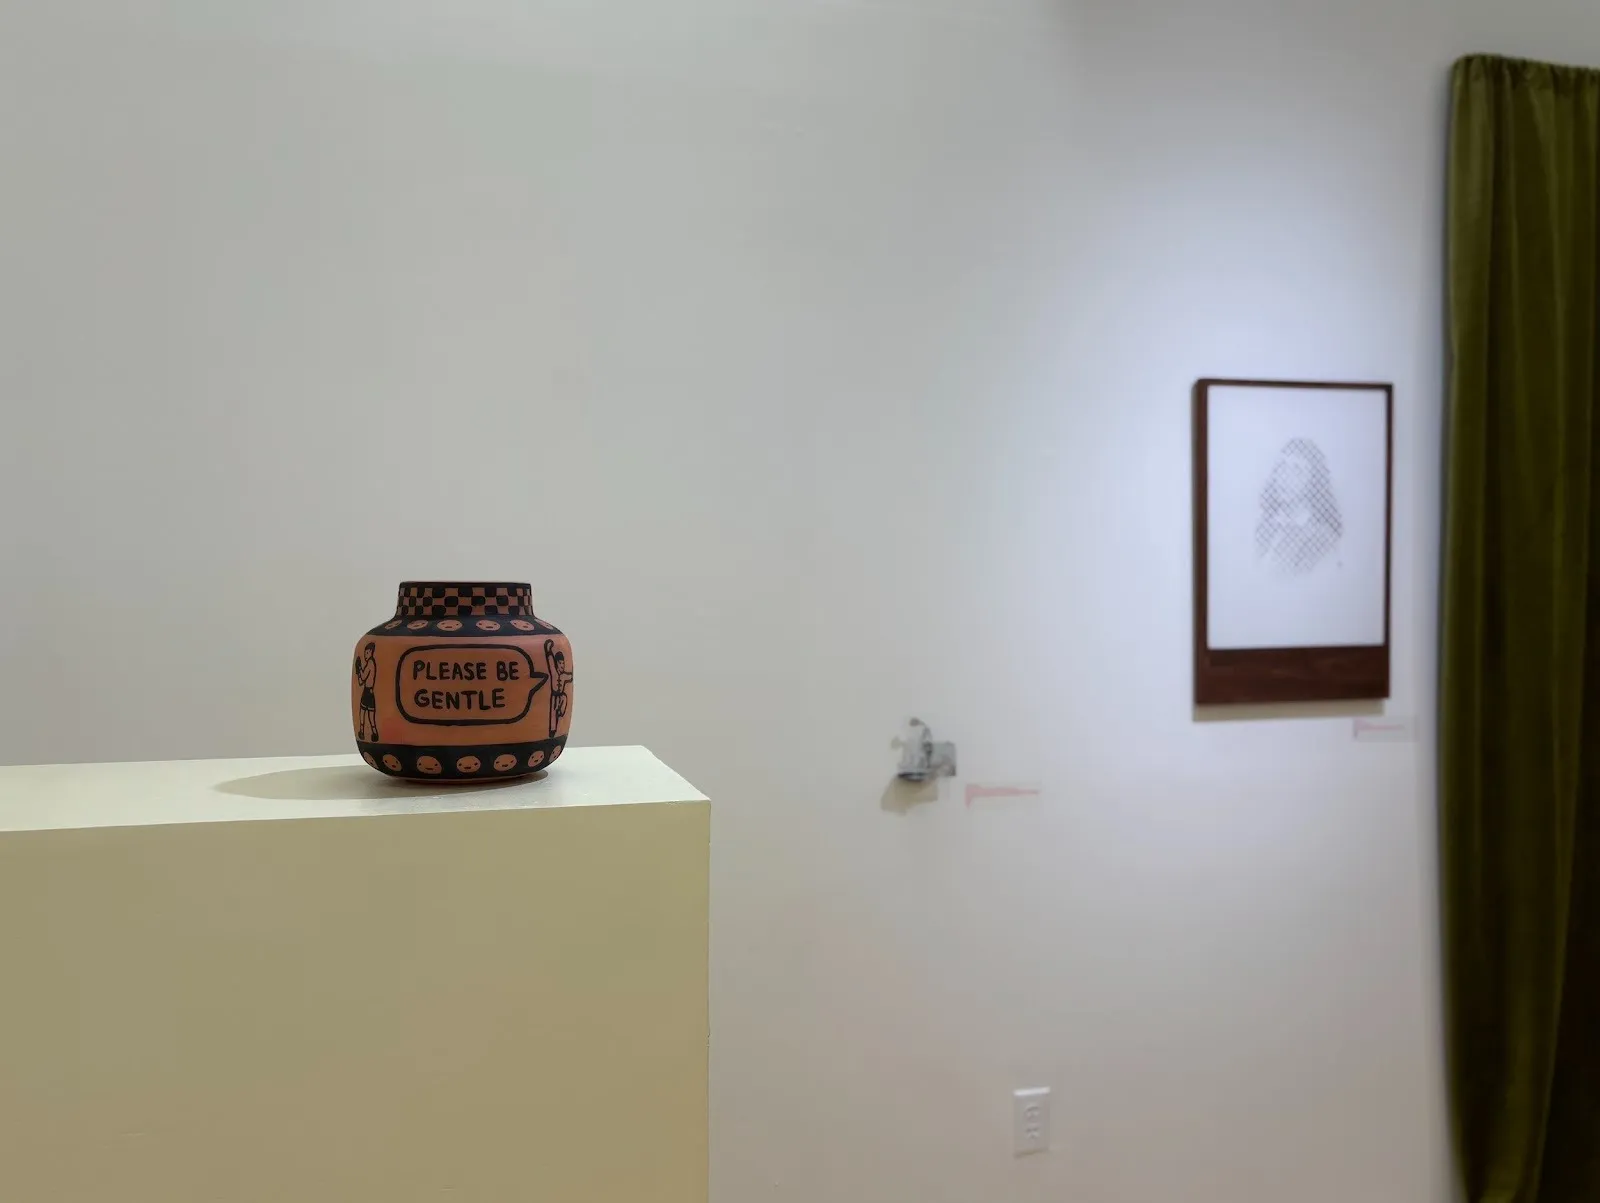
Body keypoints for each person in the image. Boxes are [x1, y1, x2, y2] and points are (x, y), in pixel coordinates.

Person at [1256, 438, 1342, 577]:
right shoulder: (1264, 523)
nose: (1284, 477)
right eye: (1282, 467)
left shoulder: (1321, 539)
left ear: (1313, 482)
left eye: (1297, 471)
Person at [354, 642, 380, 741]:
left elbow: (364, 677)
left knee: (369, 715)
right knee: (364, 713)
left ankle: (373, 733)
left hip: (368, 692)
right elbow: (361, 682)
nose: (365, 654)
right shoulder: (370, 663)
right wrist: (358, 671)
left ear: (371, 652)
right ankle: (363, 732)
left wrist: (359, 668)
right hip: (366, 691)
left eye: (367, 652)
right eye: (365, 652)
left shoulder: (370, 663)